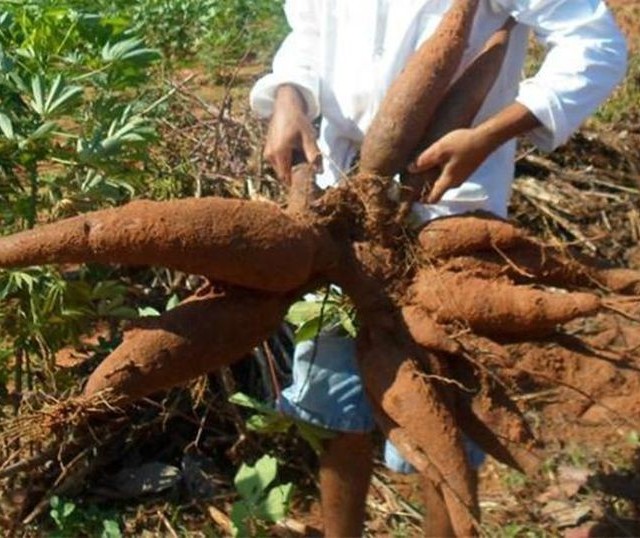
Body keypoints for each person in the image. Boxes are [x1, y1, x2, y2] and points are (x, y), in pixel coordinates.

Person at [250, 1, 627, 535]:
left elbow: (598, 48)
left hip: (447, 203)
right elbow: (308, 33)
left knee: (444, 419)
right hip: (339, 198)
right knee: (337, 411)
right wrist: (288, 94)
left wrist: (492, 133)